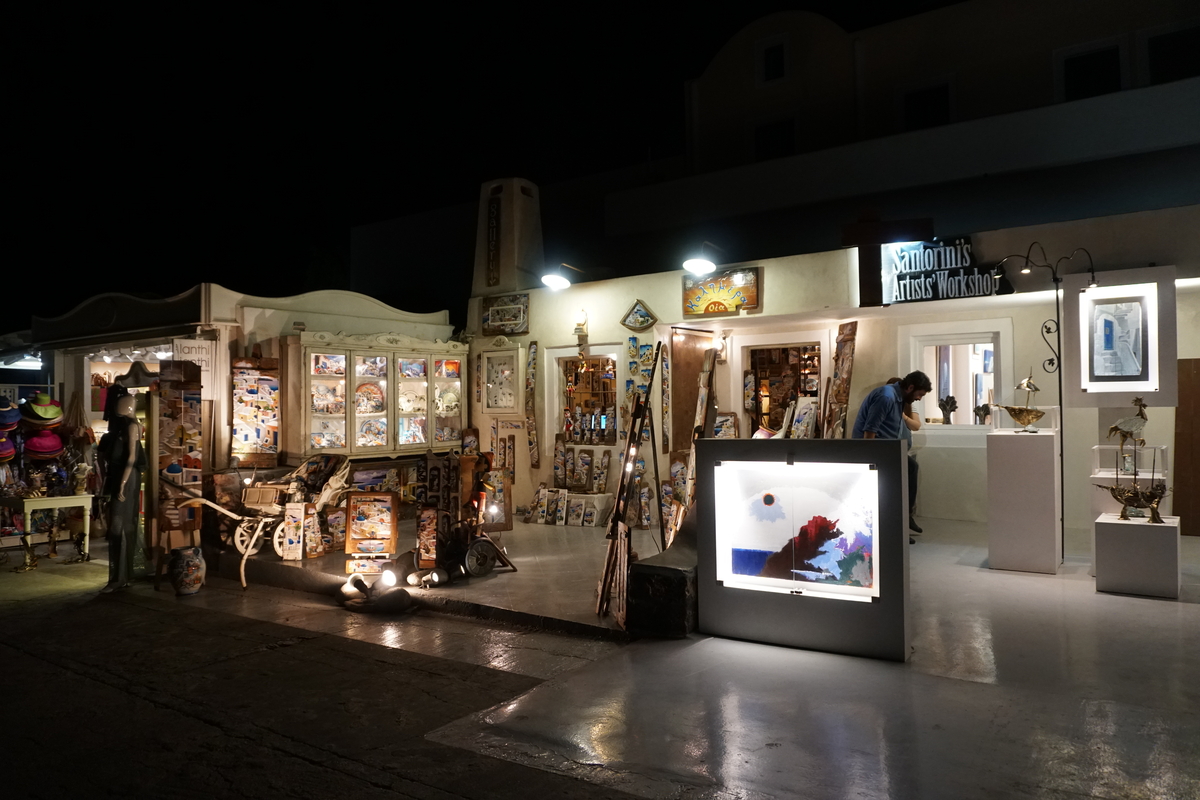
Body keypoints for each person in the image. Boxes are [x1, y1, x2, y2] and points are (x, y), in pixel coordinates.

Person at [852, 371, 931, 538]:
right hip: (877, 451)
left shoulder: (898, 398)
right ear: (910, 387)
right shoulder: (886, 396)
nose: (919, 398)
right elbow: (870, 430)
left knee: (909, 470)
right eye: (919, 394)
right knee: (893, 486)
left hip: (888, 449)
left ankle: (903, 521)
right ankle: (897, 527)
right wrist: (870, 460)